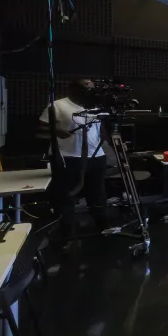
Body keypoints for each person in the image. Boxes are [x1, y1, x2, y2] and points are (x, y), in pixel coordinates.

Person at [38, 79, 108, 242]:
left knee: (98, 196)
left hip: (96, 158)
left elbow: (101, 130)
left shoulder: (95, 107)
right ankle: (67, 236)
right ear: (72, 89)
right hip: (67, 158)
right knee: (64, 198)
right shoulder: (57, 106)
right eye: (85, 88)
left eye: (91, 89)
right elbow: (40, 129)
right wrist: (57, 130)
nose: (89, 91)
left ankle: (105, 231)